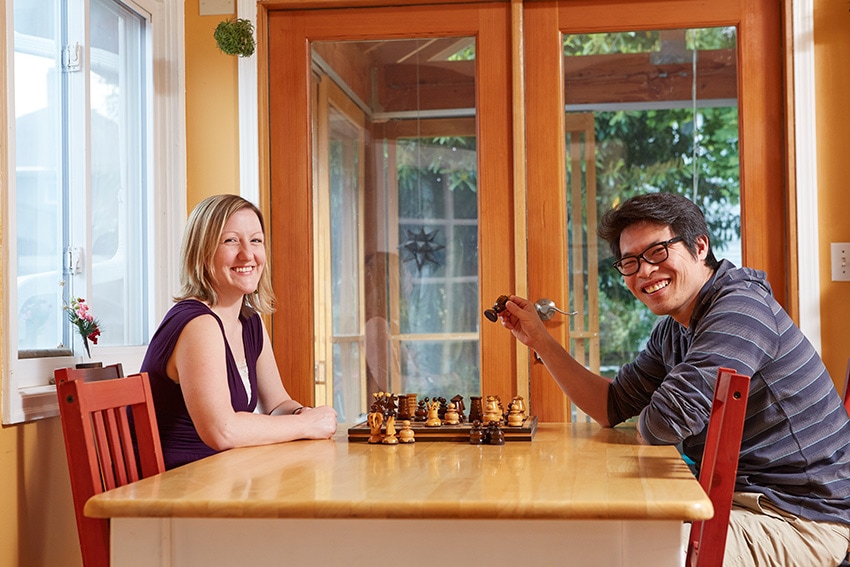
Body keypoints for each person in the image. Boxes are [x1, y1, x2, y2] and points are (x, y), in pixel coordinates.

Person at [498, 192, 850, 566]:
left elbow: (667, 421)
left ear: (700, 247)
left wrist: (658, 415)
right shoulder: (674, 331)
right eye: (630, 262)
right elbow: (611, 406)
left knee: (639, 555)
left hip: (801, 518)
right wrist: (540, 339)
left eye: (657, 252)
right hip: (731, 502)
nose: (644, 272)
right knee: (591, 535)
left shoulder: (741, 308)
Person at [141, 194, 337, 469]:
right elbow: (223, 431)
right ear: (202, 251)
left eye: (256, 241)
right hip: (176, 487)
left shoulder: (249, 322)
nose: (248, 255)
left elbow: (277, 403)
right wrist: (304, 424)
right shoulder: (198, 324)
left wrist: (302, 412)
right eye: (231, 240)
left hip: (220, 475)